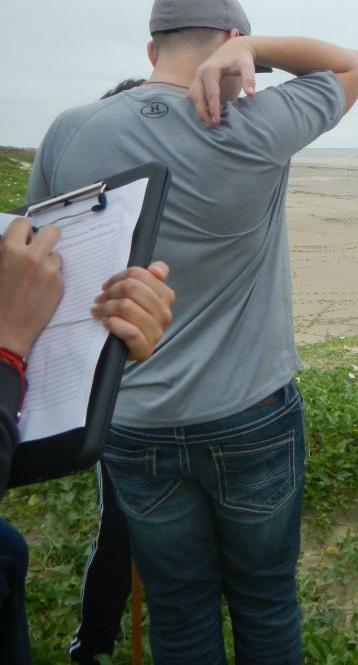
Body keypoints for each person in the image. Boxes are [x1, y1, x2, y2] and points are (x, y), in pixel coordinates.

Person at [28, 0, 358, 663]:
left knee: (179, 607)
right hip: (250, 412)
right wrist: (258, 49)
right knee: (266, 598)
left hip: (132, 420)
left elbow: (37, 263)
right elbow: (351, 65)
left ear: (152, 48)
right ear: (230, 47)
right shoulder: (255, 124)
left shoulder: (70, 131)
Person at [1, 217, 175, 665]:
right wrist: (8, 348)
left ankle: (94, 644)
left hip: (147, 402)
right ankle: (93, 644)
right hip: (134, 411)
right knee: (119, 540)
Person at [67, 78, 145, 665]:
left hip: (165, 399)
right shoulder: (101, 214)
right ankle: (91, 645)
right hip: (119, 402)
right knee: (118, 537)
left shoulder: (156, 203)